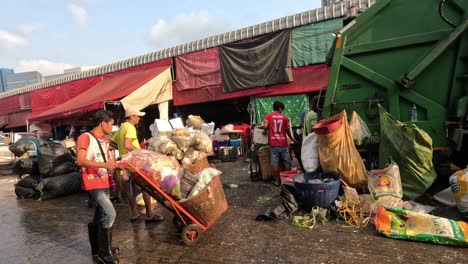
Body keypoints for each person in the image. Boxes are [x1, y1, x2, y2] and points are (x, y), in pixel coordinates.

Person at [76, 110, 119, 264]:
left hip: (104, 180)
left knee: (100, 216)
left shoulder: (105, 140)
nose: (112, 128)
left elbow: (105, 159)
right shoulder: (85, 138)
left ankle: (99, 248)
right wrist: (104, 164)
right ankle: (104, 253)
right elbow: (80, 161)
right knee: (110, 213)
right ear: (103, 123)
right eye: (111, 124)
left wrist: (111, 165)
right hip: (92, 182)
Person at [112, 104, 164, 223]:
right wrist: (141, 152)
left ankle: (134, 213)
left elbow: (112, 142)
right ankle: (149, 215)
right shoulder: (130, 127)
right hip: (134, 162)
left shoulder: (121, 127)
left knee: (130, 187)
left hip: (126, 162)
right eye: (138, 116)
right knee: (146, 185)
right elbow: (127, 145)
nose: (139, 119)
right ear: (132, 116)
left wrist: (122, 151)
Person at [262, 100, 296, 186]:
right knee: (286, 162)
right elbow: (287, 130)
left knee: (274, 163)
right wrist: (292, 138)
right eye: (282, 109)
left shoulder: (268, 116)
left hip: (273, 144)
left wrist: (264, 131)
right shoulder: (284, 117)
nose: (282, 111)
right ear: (280, 108)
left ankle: (276, 181)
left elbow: (265, 126)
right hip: (283, 143)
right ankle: (287, 181)